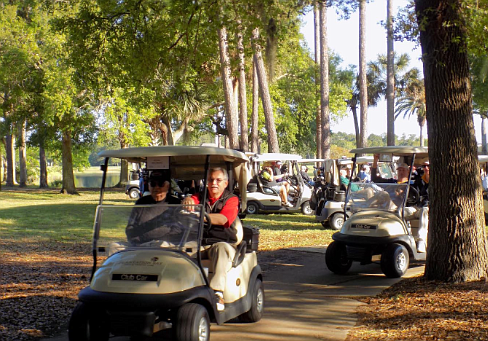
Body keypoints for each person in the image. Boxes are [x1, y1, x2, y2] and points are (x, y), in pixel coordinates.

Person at [181, 167, 243, 311]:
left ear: (225, 183)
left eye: (218, 180)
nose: (214, 183)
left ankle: (217, 293)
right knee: (177, 251)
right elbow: (191, 202)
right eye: (210, 180)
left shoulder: (231, 199)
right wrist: (187, 200)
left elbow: (223, 219)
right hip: (200, 243)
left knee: (220, 249)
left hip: (224, 243)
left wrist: (199, 216)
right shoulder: (200, 197)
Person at [371, 155, 429, 252]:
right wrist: (375, 160)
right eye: (399, 170)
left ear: (408, 171)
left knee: (424, 210)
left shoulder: (412, 183)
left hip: (416, 207)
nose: (401, 172)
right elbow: (375, 179)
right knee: (397, 211)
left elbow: (419, 192)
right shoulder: (392, 182)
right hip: (399, 208)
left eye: (403, 170)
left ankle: (421, 241)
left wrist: (403, 193)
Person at [126, 170, 181, 246]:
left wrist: (161, 242)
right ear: (149, 186)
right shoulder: (141, 202)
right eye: (153, 184)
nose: (157, 188)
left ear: (167, 186)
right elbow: (130, 227)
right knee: (114, 247)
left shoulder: (175, 203)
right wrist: (137, 243)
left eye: (161, 184)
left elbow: (178, 229)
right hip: (141, 245)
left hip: (167, 246)